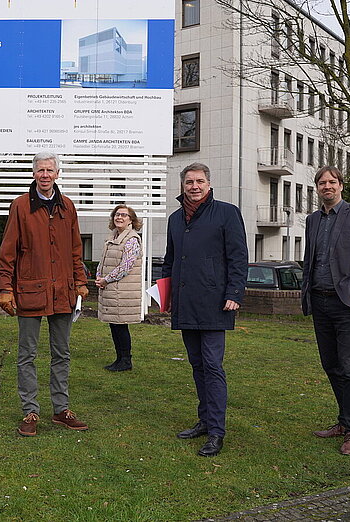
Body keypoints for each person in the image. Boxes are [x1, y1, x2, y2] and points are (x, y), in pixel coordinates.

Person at [0, 151, 90, 437]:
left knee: (61, 353)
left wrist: (80, 281)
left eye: (50, 170)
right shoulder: (21, 206)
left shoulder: (68, 207)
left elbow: (76, 249)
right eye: (40, 170)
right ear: (34, 174)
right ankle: (30, 411)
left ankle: (61, 410)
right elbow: (8, 250)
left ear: (57, 174)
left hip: (62, 292)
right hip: (29, 292)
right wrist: (4, 288)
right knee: (27, 354)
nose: (45, 175)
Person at [163, 162, 248, 457]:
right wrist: (166, 295)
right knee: (197, 365)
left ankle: (216, 432)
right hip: (186, 303)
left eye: (199, 181)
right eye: (189, 182)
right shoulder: (175, 219)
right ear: (182, 186)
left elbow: (238, 256)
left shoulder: (227, 213)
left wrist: (235, 292)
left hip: (215, 303)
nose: (194, 186)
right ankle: (204, 420)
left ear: (209, 184)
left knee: (213, 367)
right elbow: (170, 260)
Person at [302, 166, 350, 456]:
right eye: (322, 183)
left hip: (347, 304)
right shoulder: (312, 220)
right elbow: (311, 259)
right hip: (320, 302)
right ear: (317, 188)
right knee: (331, 365)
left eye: (332, 182)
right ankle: (342, 420)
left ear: (341, 186)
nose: (327, 186)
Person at [95, 205, 143, 371]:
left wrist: (106, 280)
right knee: (115, 324)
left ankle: (125, 361)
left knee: (121, 325)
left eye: (124, 215)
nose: (119, 217)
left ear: (131, 220)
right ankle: (120, 359)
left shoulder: (131, 239)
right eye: (117, 214)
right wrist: (98, 276)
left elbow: (126, 266)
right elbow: (103, 261)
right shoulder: (113, 237)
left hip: (122, 291)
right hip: (112, 289)